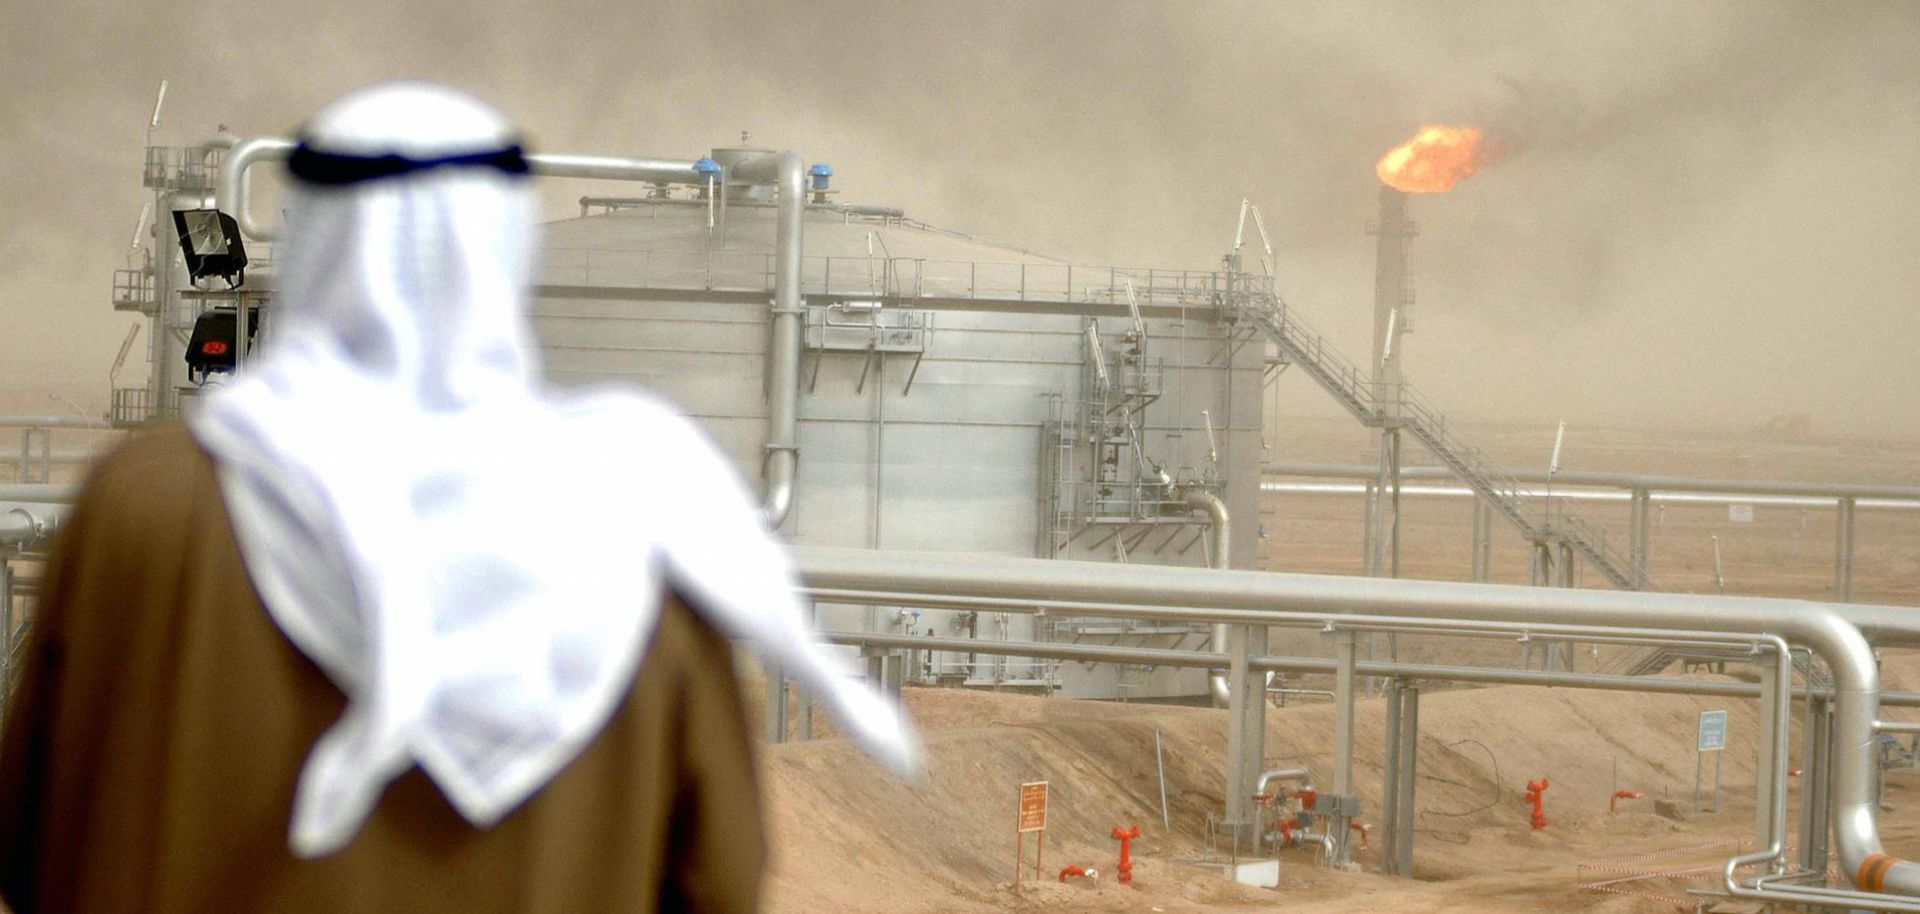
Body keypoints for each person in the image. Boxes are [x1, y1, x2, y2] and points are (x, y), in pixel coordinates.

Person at [0, 83, 916, 913]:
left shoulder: (146, 505)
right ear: (503, 249)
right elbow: (720, 876)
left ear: (313, 230)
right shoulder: (637, 519)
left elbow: (33, 835)